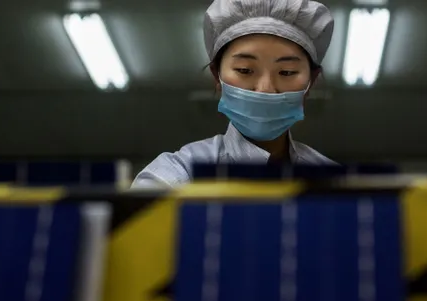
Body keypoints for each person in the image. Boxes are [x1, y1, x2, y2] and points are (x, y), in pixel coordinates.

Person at [132, 0, 336, 188]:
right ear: (217, 76)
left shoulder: (334, 181)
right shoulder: (177, 174)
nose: (265, 88)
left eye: (287, 72)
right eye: (245, 70)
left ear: (310, 82)